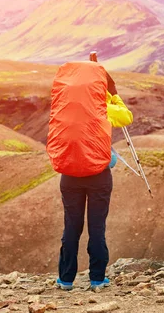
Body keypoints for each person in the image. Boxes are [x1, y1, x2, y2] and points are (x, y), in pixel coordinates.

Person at [56, 88, 133, 292]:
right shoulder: (103, 108)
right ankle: (97, 279)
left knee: (71, 227)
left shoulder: (66, 107)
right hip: (99, 175)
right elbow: (126, 116)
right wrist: (112, 94)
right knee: (97, 228)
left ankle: (65, 280)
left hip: (70, 175)